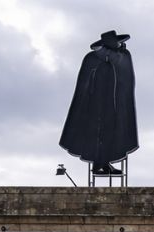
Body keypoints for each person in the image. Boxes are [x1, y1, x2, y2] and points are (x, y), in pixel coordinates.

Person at [60, 30, 139, 175]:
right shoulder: (92, 58)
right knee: (97, 133)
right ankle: (99, 163)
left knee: (113, 132)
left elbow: (125, 74)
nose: (121, 45)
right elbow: (84, 82)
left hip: (116, 104)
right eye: (117, 43)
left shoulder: (123, 56)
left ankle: (105, 162)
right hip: (95, 104)